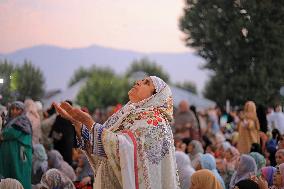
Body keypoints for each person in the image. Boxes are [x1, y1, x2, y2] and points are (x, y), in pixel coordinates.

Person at [54, 76, 180, 189]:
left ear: (155, 96)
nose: (138, 82)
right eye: (141, 80)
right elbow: (103, 148)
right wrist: (77, 123)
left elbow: (129, 151)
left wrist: (90, 123)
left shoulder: (156, 121)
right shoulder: (128, 113)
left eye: (146, 83)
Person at [0, 101, 32, 189]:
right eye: (12, 109)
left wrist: (2, 135)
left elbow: (12, 133)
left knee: (20, 174)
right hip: (11, 154)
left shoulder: (23, 120)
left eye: (17, 109)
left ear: (22, 110)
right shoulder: (9, 121)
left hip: (21, 153)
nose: (14, 111)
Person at [49, 101, 76, 165]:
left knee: (60, 163)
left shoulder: (59, 117)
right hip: (68, 144)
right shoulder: (73, 117)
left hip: (60, 144)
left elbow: (55, 130)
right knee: (68, 162)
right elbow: (75, 131)